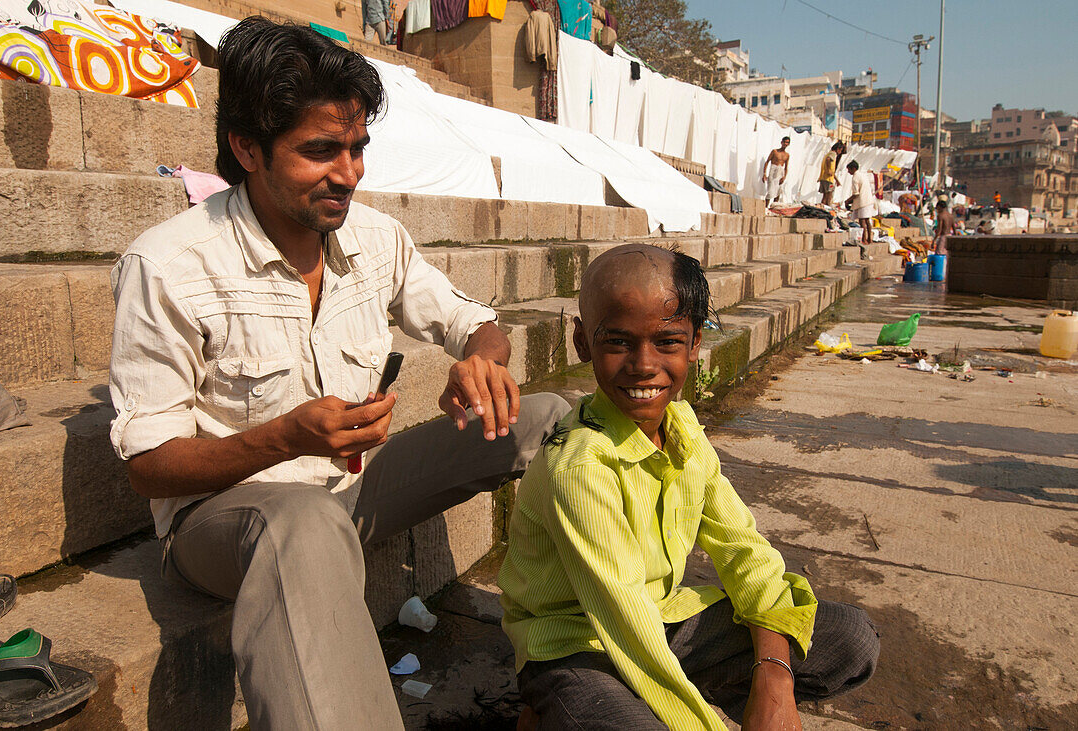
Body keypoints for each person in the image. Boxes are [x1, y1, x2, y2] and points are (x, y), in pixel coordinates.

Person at [107, 19, 567, 730]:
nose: (348, 172)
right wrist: (286, 437)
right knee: (304, 521)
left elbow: (473, 321)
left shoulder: (375, 235)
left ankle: (601, 639)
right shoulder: (168, 265)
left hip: (352, 488)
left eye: (356, 148)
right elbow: (149, 466)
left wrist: (483, 361)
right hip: (225, 523)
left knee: (551, 419)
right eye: (320, 151)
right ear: (246, 148)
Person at [499, 244, 879, 730]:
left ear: (696, 342)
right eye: (617, 342)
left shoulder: (682, 425)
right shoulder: (578, 467)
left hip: (662, 621)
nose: (643, 365)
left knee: (851, 638)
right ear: (581, 343)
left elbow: (742, 546)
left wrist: (773, 677)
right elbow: (628, 626)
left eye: (667, 342)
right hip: (575, 646)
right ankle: (558, 707)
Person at [846, 160, 876, 245]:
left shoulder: (855, 177)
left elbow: (856, 194)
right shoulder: (863, 175)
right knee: (867, 220)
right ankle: (870, 238)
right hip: (869, 200)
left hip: (862, 201)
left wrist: (847, 201)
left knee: (862, 221)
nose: (848, 172)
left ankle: (864, 239)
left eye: (849, 170)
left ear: (853, 168)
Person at [762, 136, 790, 207]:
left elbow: (786, 167)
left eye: (787, 143)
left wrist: (784, 177)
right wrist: (764, 174)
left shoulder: (787, 155)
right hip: (773, 172)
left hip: (780, 173)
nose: (785, 144)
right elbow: (767, 162)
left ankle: (773, 208)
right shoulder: (774, 151)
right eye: (785, 142)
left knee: (778, 192)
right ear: (781, 142)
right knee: (770, 191)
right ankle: (765, 208)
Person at [819, 140, 845, 207]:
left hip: (824, 178)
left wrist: (837, 180)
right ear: (838, 149)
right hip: (828, 179)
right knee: (829, 196)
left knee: (825, 196)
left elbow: (832, 172)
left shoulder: (828, 153)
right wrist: (828, 170)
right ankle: (827, 208)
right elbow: (828, 159)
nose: (840, 152)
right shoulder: (833, 154)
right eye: (840, 150)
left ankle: (823, 208)